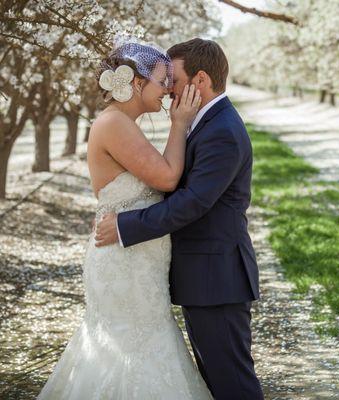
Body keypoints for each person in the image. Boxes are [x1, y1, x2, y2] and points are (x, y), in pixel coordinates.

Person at [37, 41, 213, 399]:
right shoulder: (115, 123)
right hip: (124, 262)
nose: (168, 89)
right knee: (130, 347)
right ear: (136, 83)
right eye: (162, 81)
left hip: (137, 260)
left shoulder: (124, 122)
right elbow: (165, 179)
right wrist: (180, 125)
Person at [94, 38, 263, 399]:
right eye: (165, 80)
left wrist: (126, 226)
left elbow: (192, 203)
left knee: (233, 384)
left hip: (217, 279)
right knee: (218, 381)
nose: (170, 88)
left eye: (176, 79)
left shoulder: (222, 132)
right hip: (202, 279)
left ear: (200, 81)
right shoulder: (207, 124)